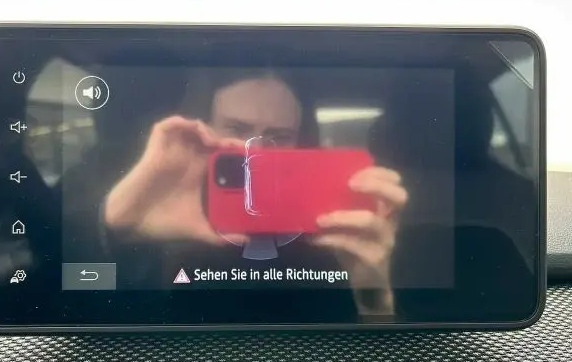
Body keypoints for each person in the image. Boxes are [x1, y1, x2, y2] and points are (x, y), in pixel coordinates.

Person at [98, 68, 408, 316]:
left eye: (279, 137)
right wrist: (117, 229)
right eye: (236, 129)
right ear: (203, 130)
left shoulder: (334, 232)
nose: (256, 151)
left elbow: (365, 353)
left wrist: (373, 296)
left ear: (301, 143)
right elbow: (108, 340)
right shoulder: (161, 211)